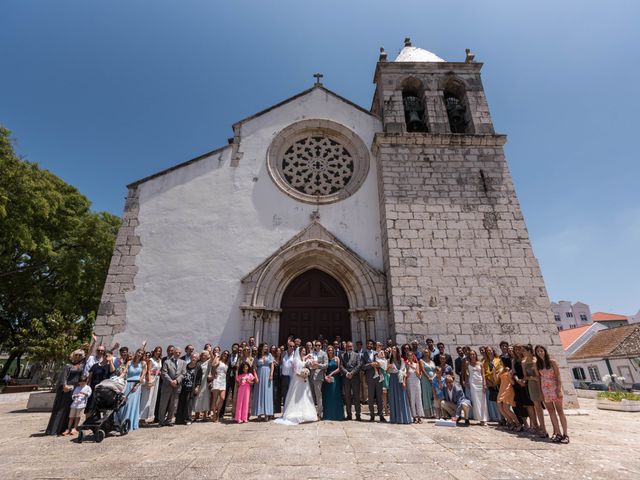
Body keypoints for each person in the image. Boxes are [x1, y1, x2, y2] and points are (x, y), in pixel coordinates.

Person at [46, 349, 86, 435]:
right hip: (66, 388)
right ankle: (56, 429)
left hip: (75, 388)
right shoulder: (68, 365)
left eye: (80, 355)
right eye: (76, 355)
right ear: (73, 355)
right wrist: (64, 386)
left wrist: (94, 342)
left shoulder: (81, 365)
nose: (78, 356)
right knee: (62, 408)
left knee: (70, 409)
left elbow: (88, 355)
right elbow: (63, 377)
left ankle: (68, 428)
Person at [274, 347, 317, 425]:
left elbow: (307, 359)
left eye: (304, 351)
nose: (304, 352)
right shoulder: (296, 360)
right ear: (299, 351)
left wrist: (306, 372)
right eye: (303, 351)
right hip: (297, 380)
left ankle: (306, 414)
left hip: (304, 381)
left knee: (304, 396)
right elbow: (295, 371)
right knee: (296, 396)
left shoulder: (303, 359)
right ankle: (295, 413)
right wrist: (302, 375)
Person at [536, 345, 569, 443]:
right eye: (538, 352)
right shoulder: (538, 364)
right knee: (551, 411)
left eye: (541, 351)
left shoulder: (552, 362)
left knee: (560, 411)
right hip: (545, 390)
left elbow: (558, 376)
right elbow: (539, 379)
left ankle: (565, 434)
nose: (540, 353)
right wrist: (541, 392)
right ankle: (558, 433)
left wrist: (559, 389)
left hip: (554, 388)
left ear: (545, 351)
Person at [118, 348, 147, 431]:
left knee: (131, 403)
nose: (139, 354)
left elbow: (142, 376)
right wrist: (118, 378)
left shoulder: (143, 363)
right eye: (138, 352)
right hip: (127, 384)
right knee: (124, 403)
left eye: (141, 353)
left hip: (136, 385)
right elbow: (124, 372)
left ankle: (130, 423)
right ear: (136, 352)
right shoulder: (129, 362)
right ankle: (122, 422)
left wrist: (137, 386)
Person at [157, 347, 186, 426]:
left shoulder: (183, 362)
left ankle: (169, 420)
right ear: (174, 353)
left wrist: (176, 381)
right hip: (167, 386)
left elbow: (183, 373)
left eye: (180, 353)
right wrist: (171, 381)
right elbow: (164, 373)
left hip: (177, 386)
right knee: (163, 404)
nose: (178, 354)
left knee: (173, 405)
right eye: (177, 352)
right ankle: (161, 421)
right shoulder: (167, 362)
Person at [523, 345, 547, 438]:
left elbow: (539, 377)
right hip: (531, 385)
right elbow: (525, 376)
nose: (522, 352)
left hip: (539, 385)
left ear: (529, 351)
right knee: (537, 407)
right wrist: (529, 378)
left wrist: (531, 378)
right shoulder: (525, 361)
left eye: (524, 350)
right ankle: (541, 427)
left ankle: (544, 428)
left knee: (542, 407)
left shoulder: (535, 360)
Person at [86, 349, 115, 417]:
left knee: (99, 408)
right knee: (90, 406)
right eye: (106, 355)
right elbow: (89, 377)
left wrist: (110, 361)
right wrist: (86, 387)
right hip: (93, 387)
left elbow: (113, 371)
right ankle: (87, 423)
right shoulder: (95, 365)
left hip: (102, 390)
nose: (107, 357)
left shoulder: (109, 366)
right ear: (103, 355)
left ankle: (96, 424)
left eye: (110, 356)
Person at [512, 344, 535, 430]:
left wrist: (524, 381)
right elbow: (514, 372)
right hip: (519, 383)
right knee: (522, 404)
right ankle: (526, 424)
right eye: (516, 350)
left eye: (519, 349)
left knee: (530, 404)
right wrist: (518, 380)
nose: (517, 351)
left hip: (527, 382)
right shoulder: (514, 360)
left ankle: (533, 424)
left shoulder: (525, 359)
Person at [362, 339, 385, 422]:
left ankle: (381, 415)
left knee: (380, 397)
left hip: (378, 377)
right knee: (371, 398)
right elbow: (363, 367)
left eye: (371, 344)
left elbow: (383, 363)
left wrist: (379, 364)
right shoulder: (363, 354)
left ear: (373, 345)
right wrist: (370, 365)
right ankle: (372, 415)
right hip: (370, 378)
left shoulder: (377, 353)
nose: (369, 345)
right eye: (368, 344)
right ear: (366, 345)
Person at [387, 346, 411, 424]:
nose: (393, 350)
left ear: (397, 351)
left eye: (394, 349)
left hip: (399, 379)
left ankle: (403, 418)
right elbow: (387, 372)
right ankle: (394, 419)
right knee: (393, 398)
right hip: (392, 379)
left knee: (401, 398)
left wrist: (404, 382)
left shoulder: (401, 360)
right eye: (392, 349)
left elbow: (404, 372)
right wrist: (388, 368)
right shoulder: (389, 360)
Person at [175, 352, 201, 425]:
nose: (193, 358)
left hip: (191, 388)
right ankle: (179, 420)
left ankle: (188, 419)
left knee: (188, 404)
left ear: (197, 359)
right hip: (183, 387)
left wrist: (197, 387)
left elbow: (199, 378)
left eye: (195, 357)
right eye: (192, 357)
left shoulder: (198, 367)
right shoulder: (186, 366)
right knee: (181, 403)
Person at [139, 346, 162, 422]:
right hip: (151, 378)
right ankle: (141, 418)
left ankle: (148, 417)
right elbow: (148, 371)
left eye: (159, 351)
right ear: (154, 351)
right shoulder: (151, 360)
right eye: (157, 351)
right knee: (146, 398)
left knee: (153, 398)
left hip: (157, 379)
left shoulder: (159, 360)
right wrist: (149, 381)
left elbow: (158, 370)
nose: (158, 352)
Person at [494, 363, 520, 430]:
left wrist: (508, 375)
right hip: (502, 389)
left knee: (506, 409)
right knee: (500, 407)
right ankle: (511, 422)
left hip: (508, 390)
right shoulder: (501, 370)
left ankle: (518, 424)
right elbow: (496, 380)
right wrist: (494, 371)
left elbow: (513, 383)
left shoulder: (510, 370)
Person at [252, 343, 275, 421]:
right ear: (261, 348)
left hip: (267, 375)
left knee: (267, 393)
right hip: (259, 375)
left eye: (266, 346)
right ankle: (258, 413)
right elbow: (254, 368)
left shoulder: (269, 355)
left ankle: (267, 414)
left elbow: (272, 365)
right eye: (265, 347)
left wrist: (271, 375)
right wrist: (256, 377)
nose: (266, 348)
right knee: (259, 394)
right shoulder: (256, 357)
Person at [340, 341, 362, 421]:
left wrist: (352, 373)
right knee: (347, 397)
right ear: (346, 347)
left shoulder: (356, 355)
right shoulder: (342, 355)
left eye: (351, 346)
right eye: (348, 346)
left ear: (353, 347)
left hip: (355, 378)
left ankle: (358, 414)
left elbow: (359, 365)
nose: (350, 348)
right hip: (346, 379)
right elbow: (341, 366)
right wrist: (347, 373)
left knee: (356, 397)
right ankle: (349, 414)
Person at [322, 345, 344, 421]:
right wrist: (325, 377)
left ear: (333, 351)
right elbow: (324, 369)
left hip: (336, 379)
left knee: (336, 395)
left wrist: (331, 374)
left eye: (331, 350)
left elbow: (339, 368)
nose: (330, 351)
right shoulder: (326, 359)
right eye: (329, 350)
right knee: (328, 396)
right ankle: (329, 415)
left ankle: (338, 415)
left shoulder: (336, 358)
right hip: (328, 379)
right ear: (327, 351)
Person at [466, 349, 488, 424]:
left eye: (473, 354)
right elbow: (466, 374)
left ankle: (484, 418)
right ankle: (479, 418)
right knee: (476, 401)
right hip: (472, 383)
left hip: (480, 382)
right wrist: (467, 382)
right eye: (471, 354)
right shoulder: (467, 363)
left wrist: (484, 384)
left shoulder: (480, 363)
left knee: (482, 401)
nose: (472, 356)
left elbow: (483, 374)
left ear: (476, 355)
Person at [481, 346, 503, 422]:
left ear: (493, 351)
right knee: (496, 402)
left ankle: (504, 418)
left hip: (499, 383)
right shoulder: (485, 362)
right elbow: (484, 374)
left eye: (490, 350)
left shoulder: (498, 360)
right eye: (487, 351)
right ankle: (501, 419)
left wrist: (496, 380)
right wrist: (488, 382)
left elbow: (501, 370)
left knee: (501, 401)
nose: (489, 352)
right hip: (491, 384)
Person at [309, 340, 328, 420]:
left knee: (318, 396)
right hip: (311, 377)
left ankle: (320, 414)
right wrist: (310, 365)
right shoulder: (311, 353)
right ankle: (311, 413)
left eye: (319, 345)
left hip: (318, 377)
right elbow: (307, 363)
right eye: (316, 345)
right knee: (311, 396)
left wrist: (318, 365)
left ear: (321, 346)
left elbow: (326, 365)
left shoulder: (324, 353)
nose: (317, 346)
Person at [219, 343, 239, 420]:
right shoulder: (228, 356)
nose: (235, 348)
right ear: (232, 348)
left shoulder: (239, 357)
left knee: (235, 396)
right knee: (224, 396)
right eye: (233, 347)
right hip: (227, 378)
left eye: (236, 347)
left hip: (235, 378)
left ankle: (234, 414)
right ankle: (221, 413)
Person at [405, 352, 425, 423]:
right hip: (409, 382)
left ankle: (419, 416)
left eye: (411, 356)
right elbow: (406, 375)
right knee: (412, 399)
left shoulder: (416, 364)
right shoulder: (405, 364)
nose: (410, 357)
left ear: (413, 356)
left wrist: (412, 366)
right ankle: (414, 416)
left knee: (418, 399)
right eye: (408, 356)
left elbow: (418, 374)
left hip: (416, 381)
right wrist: (407, 367)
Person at [210, 350, 229, 422]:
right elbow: (213, 365)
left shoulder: (227, 363)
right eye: (224, 353)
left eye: (227, 354)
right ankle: (214, 415)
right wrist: (216, 356)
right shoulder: (218, 360)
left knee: (222, 398)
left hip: (223, 381)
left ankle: (217, 413)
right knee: (214, 399)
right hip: (217, 379)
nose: (225, 355)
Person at [192, 350, 211, 421]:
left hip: (205, 382)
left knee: (205, 398)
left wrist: (210, 351)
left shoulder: (208, 362)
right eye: (202, 354)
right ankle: (197, 415)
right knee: (197, 397)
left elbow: (213, 359)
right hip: (198, 382)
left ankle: (205, 416)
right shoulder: (198, 363)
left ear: (207, 356)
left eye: (205, 355)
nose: (203, 356)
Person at [419, 350, 436, 418]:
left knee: (433, 394)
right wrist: (429, 377)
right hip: (425, 379)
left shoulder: (432, 361)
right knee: (426, 394)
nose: (426, 353)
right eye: (424, 352)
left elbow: (435, 370)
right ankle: (428, 413)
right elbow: (422, 370)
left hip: (433, 379)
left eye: (427, 352)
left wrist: (433, 377)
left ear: (429, 353)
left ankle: (434, 412)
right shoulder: (421, 360)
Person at [280, 342, 295, 410]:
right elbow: (281, 362)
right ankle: (285, 410)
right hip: (284, 376)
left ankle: (290, 409)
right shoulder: (284, 353)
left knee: (290, 394)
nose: (292, 347)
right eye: (290, 346)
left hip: (291, 377)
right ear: (288, 346)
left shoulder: (294, 354)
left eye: (293, 346)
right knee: (284, 394)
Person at [271, 345, 282, 415]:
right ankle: (272, 411)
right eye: (277, 351)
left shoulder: (282, 360)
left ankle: (276, 411)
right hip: (274, 379)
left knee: (278, 395)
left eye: (279, 351)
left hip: (280, 379)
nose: (278, 352)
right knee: (274, 395)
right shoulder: (273, 359)